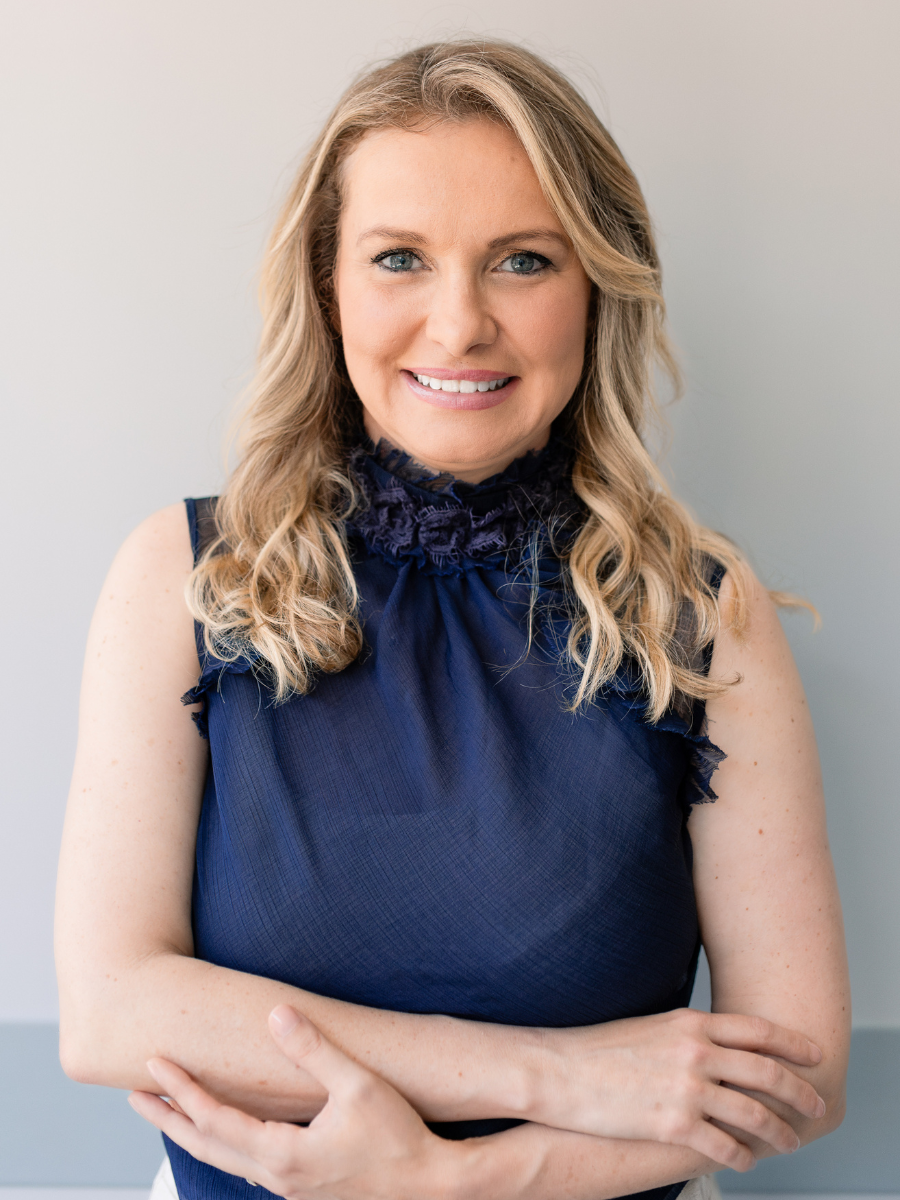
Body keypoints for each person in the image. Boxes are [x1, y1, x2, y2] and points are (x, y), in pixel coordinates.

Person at [55, 39, 850, 1200]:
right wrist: (556, 1077)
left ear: (599, 286)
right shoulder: (184, 577)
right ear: (328, 289)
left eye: (522, 261)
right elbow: (112, 1015)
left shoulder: (701, 610)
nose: (459, 322)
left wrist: (450, 1179)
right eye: (400, 259)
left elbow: (804, 1072)